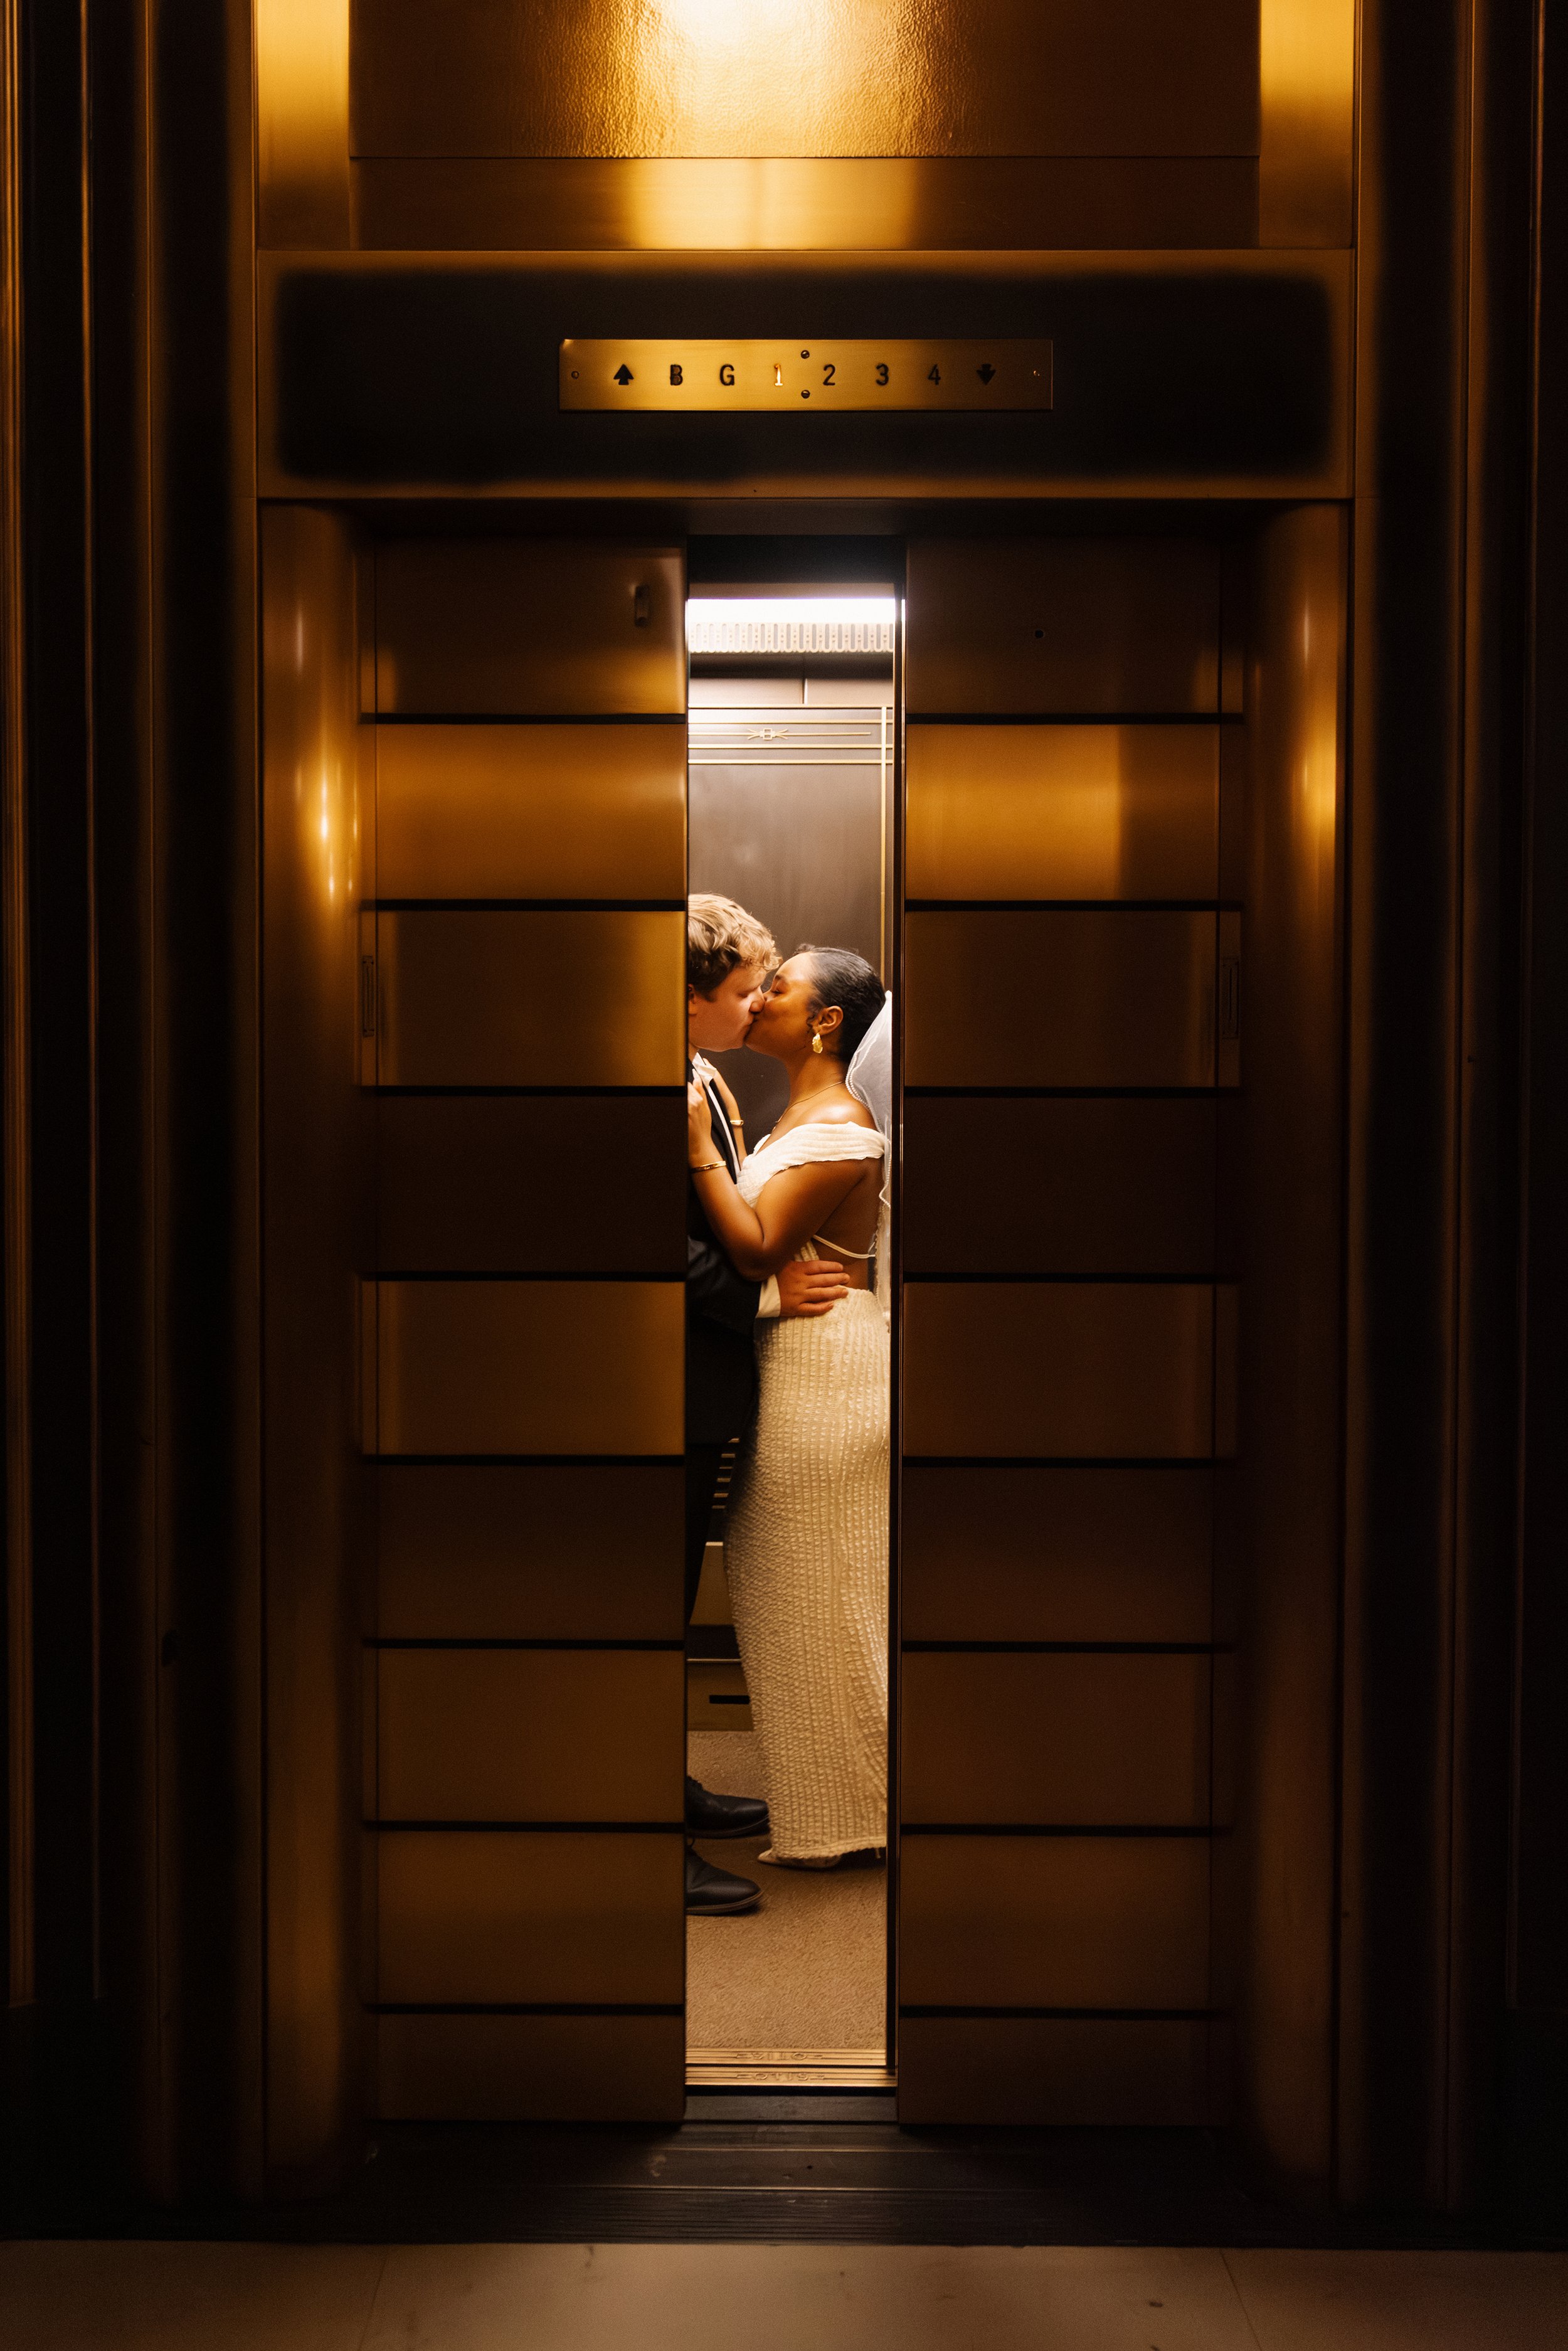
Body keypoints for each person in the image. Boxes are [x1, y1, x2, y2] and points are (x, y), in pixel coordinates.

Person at [686, 948, 891, 1867]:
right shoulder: (791, 1112)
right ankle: (836, 1807)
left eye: (782, 985)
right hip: (794, 1367)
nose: (762, 996)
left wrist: (698, 1156)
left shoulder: (842, 1123)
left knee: (830, 1594)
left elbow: (763, 1246)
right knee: (797, 1596)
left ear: (827, 1023)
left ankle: (865, 1810)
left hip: (827, 1372)